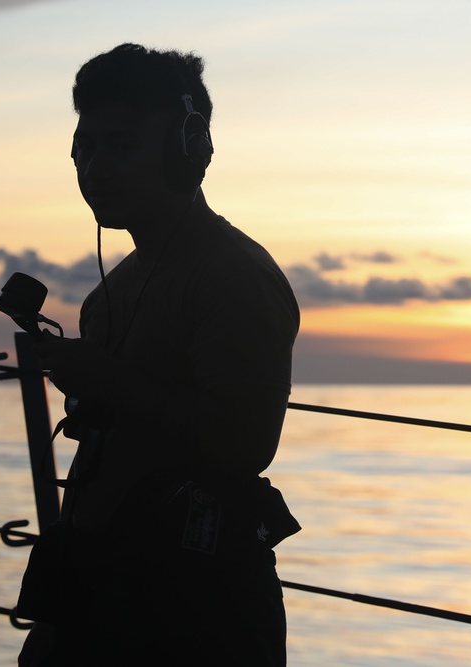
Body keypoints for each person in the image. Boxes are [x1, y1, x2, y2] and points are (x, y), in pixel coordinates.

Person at [16, 44, 301, 666]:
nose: (96, 168)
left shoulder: (233, 276)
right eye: (84, 148)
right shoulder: (108, 293)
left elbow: (246, 444)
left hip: (197, 609)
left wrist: (108, 379)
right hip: (101, 590)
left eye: (121, 147)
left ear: (188, 151)